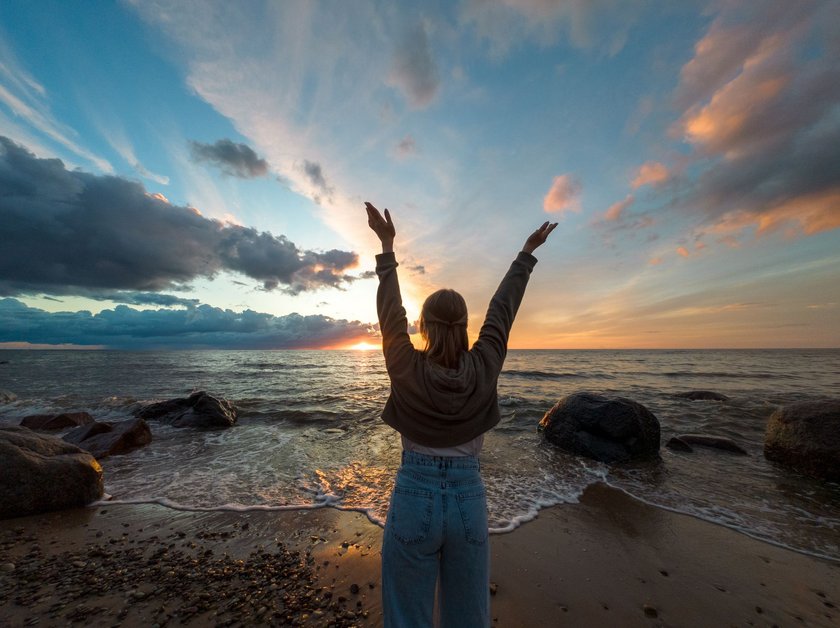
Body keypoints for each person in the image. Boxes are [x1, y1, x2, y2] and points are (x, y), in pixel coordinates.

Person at [365, 201, 557, 628]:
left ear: (424, 327)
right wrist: (525, 255)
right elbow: (502, 312)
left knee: (406, 618)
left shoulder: (406, 366)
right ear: (465, 326)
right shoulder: (485, 363)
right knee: (469, 619)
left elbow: (389, 315)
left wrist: (387, 245)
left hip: (414, 494)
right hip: (469, 498)